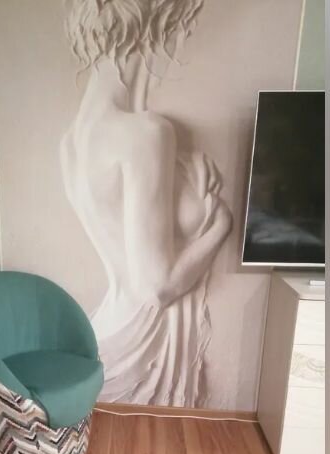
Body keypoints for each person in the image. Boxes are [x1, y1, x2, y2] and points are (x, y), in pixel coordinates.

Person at [61, 0, 232, 406]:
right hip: (138, 349)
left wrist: (182, 170)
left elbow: (121, 220)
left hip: (106, 332)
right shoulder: (145, 133)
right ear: (157, 31)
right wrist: (221, 223)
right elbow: (157, 287)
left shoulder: (70, 142)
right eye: (177, 32)